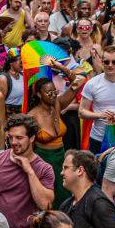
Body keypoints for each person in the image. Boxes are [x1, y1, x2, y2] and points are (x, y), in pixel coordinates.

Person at [0, 114, 55, 228]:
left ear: (31, 138)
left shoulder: (44, 169)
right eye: (10, 137)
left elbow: (45, 204)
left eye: (19, 138)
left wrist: (29, 171)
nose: (13, 142)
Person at [26, 75, 84, 208]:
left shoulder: (57, 104)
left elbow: (79, 80)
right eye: (49, 93)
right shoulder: (32, 116)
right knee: (49, 198)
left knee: (65, 194)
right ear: (39, 95)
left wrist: (61, 67)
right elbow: (29, 145)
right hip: (44, 159)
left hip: (61, 158)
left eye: (55, 92)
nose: (53, 95)